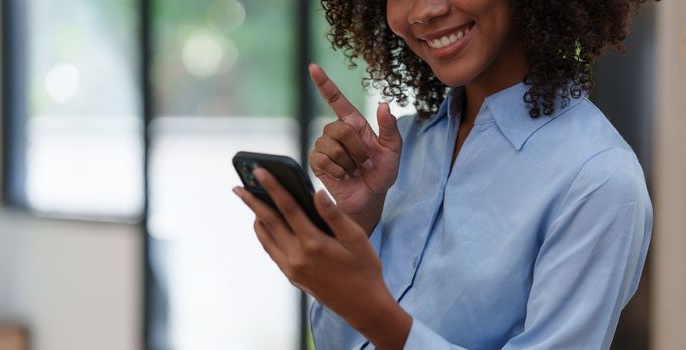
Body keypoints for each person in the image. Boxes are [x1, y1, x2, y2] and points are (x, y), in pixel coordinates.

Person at [233, 0, 655, 348]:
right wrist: (361, 222)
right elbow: (335, 341)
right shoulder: (400, 149)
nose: (424, 11)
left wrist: (372, 311)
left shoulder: (597, 178)